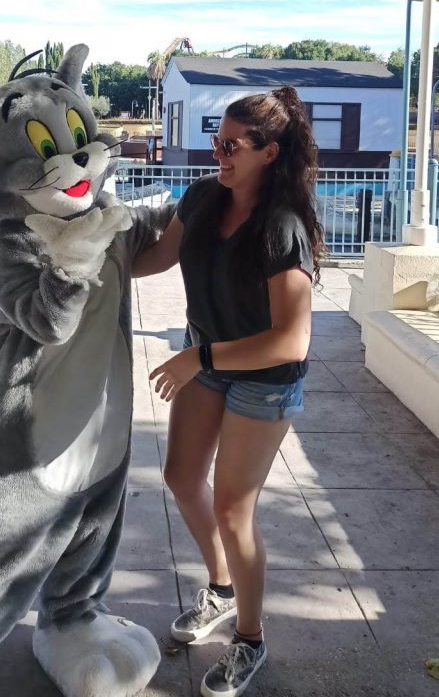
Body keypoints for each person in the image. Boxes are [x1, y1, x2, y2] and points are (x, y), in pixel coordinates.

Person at [133, 87, 325, 697]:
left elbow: (291, 341)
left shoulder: (282, 227)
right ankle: (218, 589)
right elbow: (157, 257)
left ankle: (249, 637)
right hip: (211, 359)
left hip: (262, 379)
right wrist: (81, 255)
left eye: (233, 145)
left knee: (233, 509)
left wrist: (198, 356)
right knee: (183, 477)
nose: (220, 154)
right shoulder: (202, 197)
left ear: (270, 153)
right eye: (217, 141)